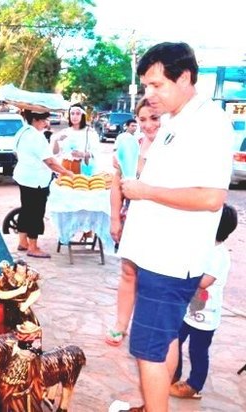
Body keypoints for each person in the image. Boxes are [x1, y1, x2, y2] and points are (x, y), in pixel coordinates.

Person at [117, 42, 234, 412]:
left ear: (184, 77)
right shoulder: (177, 120)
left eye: (156, 85)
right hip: (155, 256)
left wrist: (144, 191)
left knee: (149, 350)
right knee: (164, 340)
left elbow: (210, 197)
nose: (148, 94)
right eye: (146, 86)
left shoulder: (209, 123)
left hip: (170, 261)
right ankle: (153, 404)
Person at [105, 98, 161, 346]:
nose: (148, 125)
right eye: (142, 119)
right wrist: (115, 218)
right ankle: (121, 323)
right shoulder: (131, 147)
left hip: (162, 221)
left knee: (153, 278)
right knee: (128, 272)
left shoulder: (171, 147)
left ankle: (148, 327)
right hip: (134, 218)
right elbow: (117, 185)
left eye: (154, 118)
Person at [170, 203, 237, 399]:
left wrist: (185, 274)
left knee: (198, 350)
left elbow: (205, 282)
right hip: (188, 310)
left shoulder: (219, 255)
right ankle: (173, 373)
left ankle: (194, 385)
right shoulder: (205, 247)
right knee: (175, 340)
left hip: (206, 316)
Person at [13, 110, 74, 258]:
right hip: (36, 180)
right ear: (35, 119)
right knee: (35, 212)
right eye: (44, 120)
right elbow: (50, 162)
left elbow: (15, 152)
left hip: (24, 176)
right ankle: (33, 247)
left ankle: (23, 241)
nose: (46, 123)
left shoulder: (22, 131)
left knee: (26, 209)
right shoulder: (36, 137)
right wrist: (67, 173)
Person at [51, 103, 100, 174]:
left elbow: (96, 151)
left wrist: (84, 154)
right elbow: (55, 153)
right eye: (72, 113)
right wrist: (56, 140)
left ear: (83, 115)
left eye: (78, 114)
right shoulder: (65, 132)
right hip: (66, 169)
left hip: (84, 170)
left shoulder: (90, 132)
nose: (74, 116)